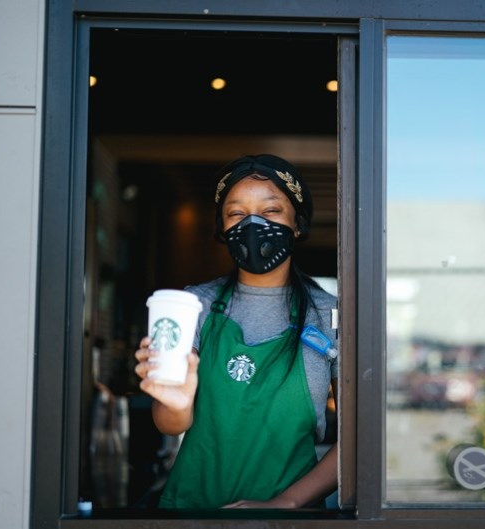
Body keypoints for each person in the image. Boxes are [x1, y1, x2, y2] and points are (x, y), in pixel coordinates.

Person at [134, 154, 338, 509]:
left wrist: (286, 503)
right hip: (193, 512)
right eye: (237, 213)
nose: (253, 223)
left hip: (292, 520)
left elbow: (359, 438)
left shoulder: (329, 314)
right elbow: (168, 424)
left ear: (298, 224)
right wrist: (175, 403)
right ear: (222, 229)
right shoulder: (192, 305)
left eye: (271, 211)